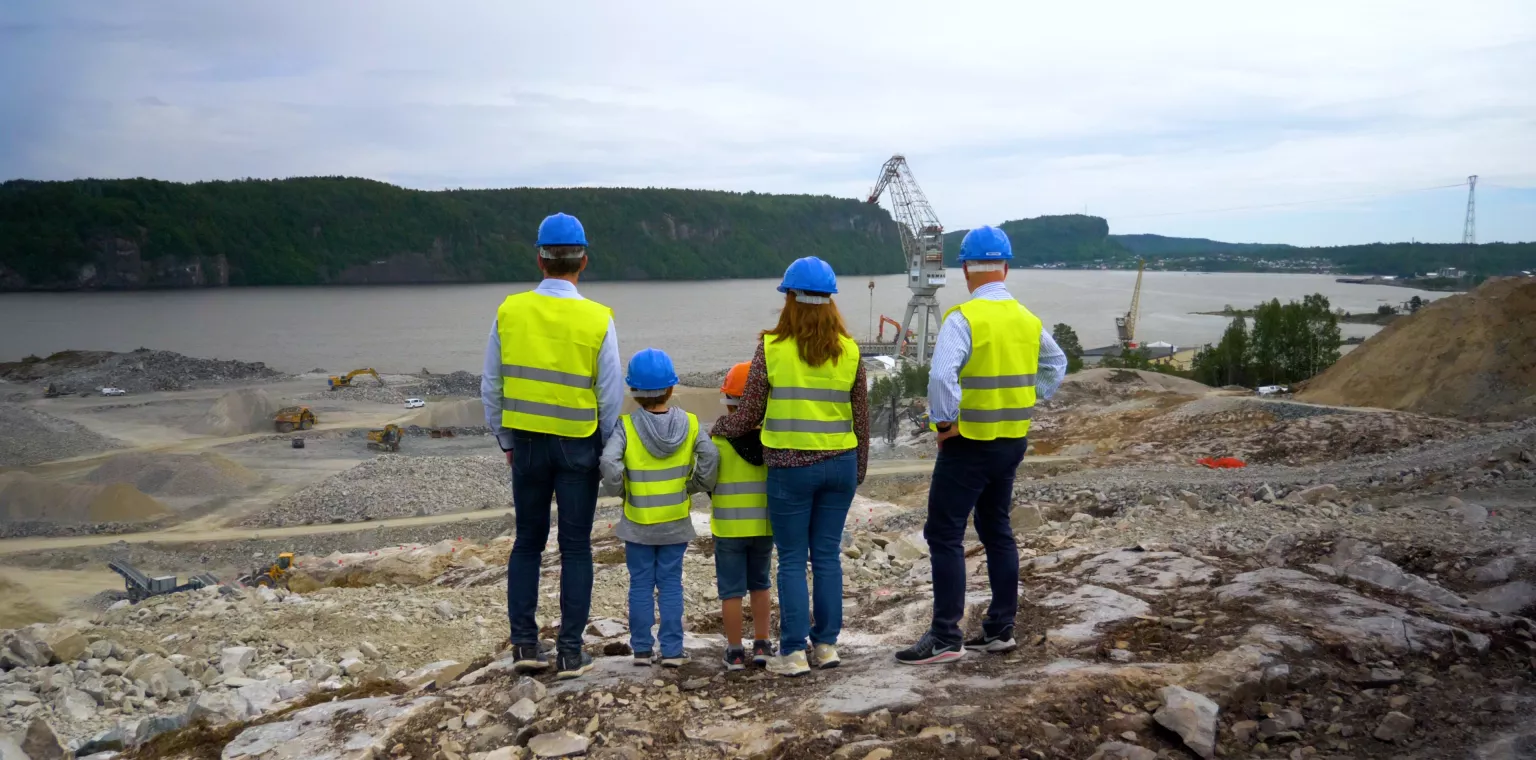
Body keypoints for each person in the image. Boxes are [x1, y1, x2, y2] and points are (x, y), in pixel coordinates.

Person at [894, 226, 1067, 665]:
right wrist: (1030, 396)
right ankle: (1000, 630)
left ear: (966, 269)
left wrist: (945, 422)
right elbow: (1055, 362)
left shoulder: (963, 318)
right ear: (1006, 268)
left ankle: (945, 636)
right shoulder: (1028, 320)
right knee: (997, 530)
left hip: (968, 442)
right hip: (1012, 440)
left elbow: (940, 376)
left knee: (944, 534)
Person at [480, 212, 622, 680]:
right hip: (578, 446)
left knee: (527, 543)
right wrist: (605, 448)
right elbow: (609, 394)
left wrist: (506, 439)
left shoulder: (509, 311)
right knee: (576, 547)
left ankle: (524, 644)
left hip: (526, 446)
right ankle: (569, 652)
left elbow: (491, 386)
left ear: (540, 259)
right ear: (583, 261)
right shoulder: (597, 318)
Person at [713, 256, 869, 677]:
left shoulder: (771, 348)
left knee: (792, 559)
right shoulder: (851, 351)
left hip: (789, 468)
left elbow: (748, 415)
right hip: (840, 464)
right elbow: (862, 419)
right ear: (830, 302)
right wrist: (858, 471)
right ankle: (827, 647)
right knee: (827, 558)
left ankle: (795, 651)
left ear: (789, 300)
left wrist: (720, 427)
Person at [599, 348, 718, 668]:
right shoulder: (691, 424)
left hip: (638, 522)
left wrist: (622, 491)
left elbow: (609, 462)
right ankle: (672, 650)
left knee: (640, 584)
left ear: (633, 391)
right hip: (675, 521)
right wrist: (692, 486)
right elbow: (711, 460)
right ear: (670, 388)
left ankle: (641, 649)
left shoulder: (625, 426)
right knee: (670, 584)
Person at [708, 361, 775, 670]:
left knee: (731, 591)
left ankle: (734, 651)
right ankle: (762, 644)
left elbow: (707, 481)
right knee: (761, 585)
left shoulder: (718, 442)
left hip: (728, 528)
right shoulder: (770, 443)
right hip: (764, 527)